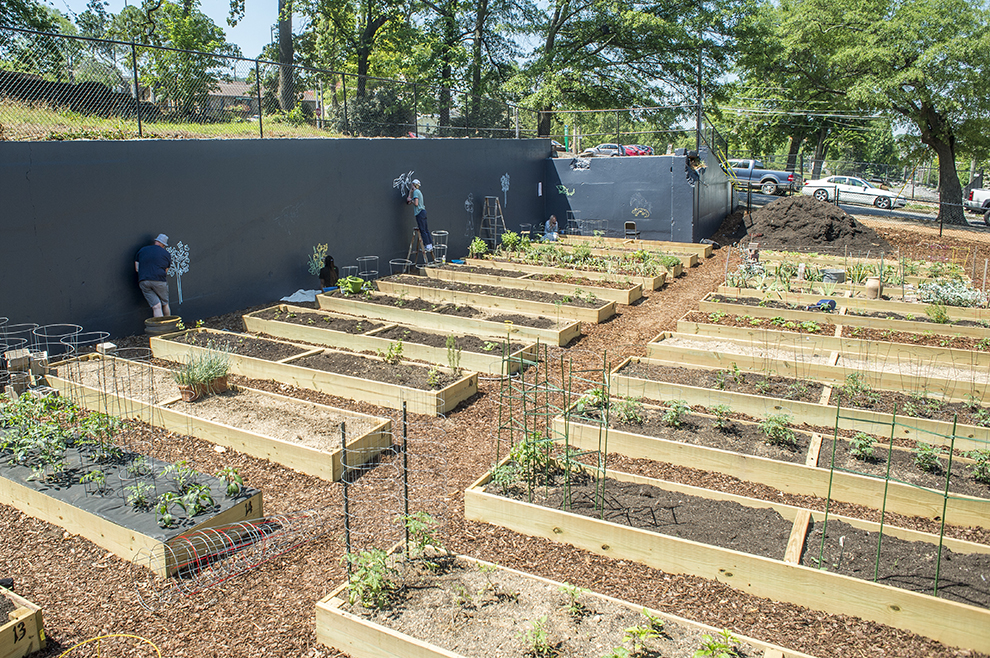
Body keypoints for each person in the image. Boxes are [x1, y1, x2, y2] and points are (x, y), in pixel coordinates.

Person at [135, 233, 172, 318]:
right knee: (165, 304)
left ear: (156, 241)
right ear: (163, 245)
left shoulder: (142, 250)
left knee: (156, 306)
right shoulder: (166, 254)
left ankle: (160, 330)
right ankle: (169, 327)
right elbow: (166, 270)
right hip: (159, 281)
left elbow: (137, 269)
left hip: (144, 281)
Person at [407, 179, 434, 257]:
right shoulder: (418, 192)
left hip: (419, 213)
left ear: (413, 184)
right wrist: (410, 193)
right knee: (426, 229)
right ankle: (430, 245)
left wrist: (411, 200)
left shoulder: (416, 192)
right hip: (423, 212)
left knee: (422, 230)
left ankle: (427, 246)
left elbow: (416, 203)